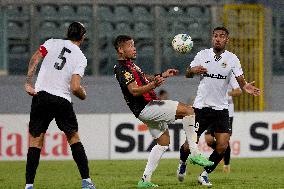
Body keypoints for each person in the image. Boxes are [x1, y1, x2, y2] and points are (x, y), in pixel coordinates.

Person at [113, 35, 213, 188]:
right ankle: (194, 153)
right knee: (189, 111)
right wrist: (154, 85)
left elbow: (143, 79)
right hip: (147, 106)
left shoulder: (130, 66)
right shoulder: (123, 68)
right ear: (121, 50)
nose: (134, 48)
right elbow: (134, 91)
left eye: (134, 45)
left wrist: (161, 75)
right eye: (130, 46)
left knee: (163, 142)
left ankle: (145, 180)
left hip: (144, 109)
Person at [177, 26, 261, 186]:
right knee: (188, 145)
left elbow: (241, 80)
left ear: (226, 40)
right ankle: (182, 163)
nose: (218, 38)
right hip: (201, 107)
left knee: (222, 145)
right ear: (212, 38)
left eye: (222, 36)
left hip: (221, 108)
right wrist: (192, 70)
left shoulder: (233, 59)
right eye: (215, 36)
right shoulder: (202, 55)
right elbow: (187, 73)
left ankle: (204, 175)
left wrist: (245, 87)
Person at [24, 22, 96, 189]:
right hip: (61, 99)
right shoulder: (81, 57)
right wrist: (83, 95)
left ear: (68, 33)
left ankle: (29, 185)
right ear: (83, 37)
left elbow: (35, 58)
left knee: (35, 141)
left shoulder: (51, 42)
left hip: (41, 96)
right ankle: (86, 182)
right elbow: (76, 87)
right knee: (73, 138)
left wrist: (28, 82)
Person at [204, 74, 242, 173]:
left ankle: (226, 164)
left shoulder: (230, 75)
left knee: (224, 140)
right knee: (208, 139)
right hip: (212, 110)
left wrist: (225, 94)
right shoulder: (210, 74)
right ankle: (220, 153)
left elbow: (238, 91)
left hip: (227, 112)